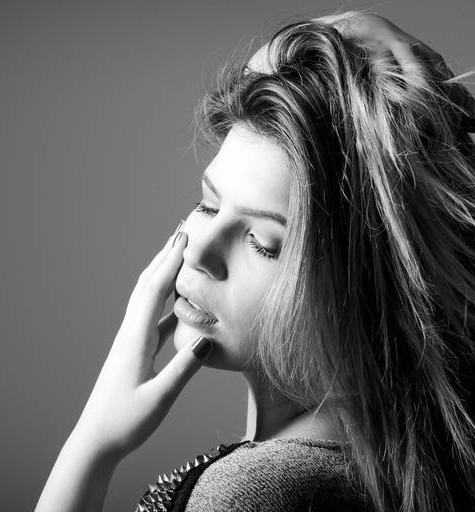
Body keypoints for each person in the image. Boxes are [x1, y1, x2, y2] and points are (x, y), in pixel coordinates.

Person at [35, 11, 475, 512]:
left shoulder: (251, 492)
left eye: (263, 242)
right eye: (207, 205)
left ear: (362, 289)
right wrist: (348, 31)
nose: (200, 252)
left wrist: (92, 446)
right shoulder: (355, 467)